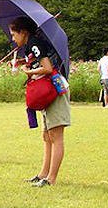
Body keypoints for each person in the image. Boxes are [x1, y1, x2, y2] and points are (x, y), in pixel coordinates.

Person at [9, 16, 70, 187]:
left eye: (14, 34)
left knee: (56, 135)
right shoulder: (31, 45)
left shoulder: (35, 43)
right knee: (47, 135)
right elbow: (39, 60)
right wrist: (23, 63)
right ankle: (43, 174)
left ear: (23, 32)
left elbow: (48, 68)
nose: (13, 38)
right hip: (47, 92)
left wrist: (28, 72)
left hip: (55, 89)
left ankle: (51, 178)